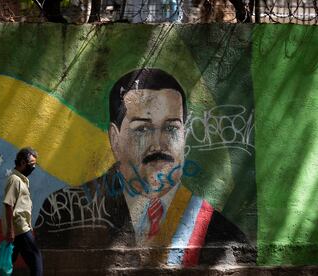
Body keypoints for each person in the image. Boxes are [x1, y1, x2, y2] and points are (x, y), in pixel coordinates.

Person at [35, 68, 255, 266]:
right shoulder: (63, 212)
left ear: (185, 137)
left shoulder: (220, 232)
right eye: (142, 129)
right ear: (115, 139)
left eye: (171, 128)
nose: (158, 144)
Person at [0, 147, 43, 276]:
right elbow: (8, 205)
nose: (34, 167)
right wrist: (11, 230)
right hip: (19, 228)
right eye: (32, 164)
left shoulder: (21, 180)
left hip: (22, 227)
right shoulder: (15, 180)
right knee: (36, 258)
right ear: (23, 163)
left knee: (7, 258)